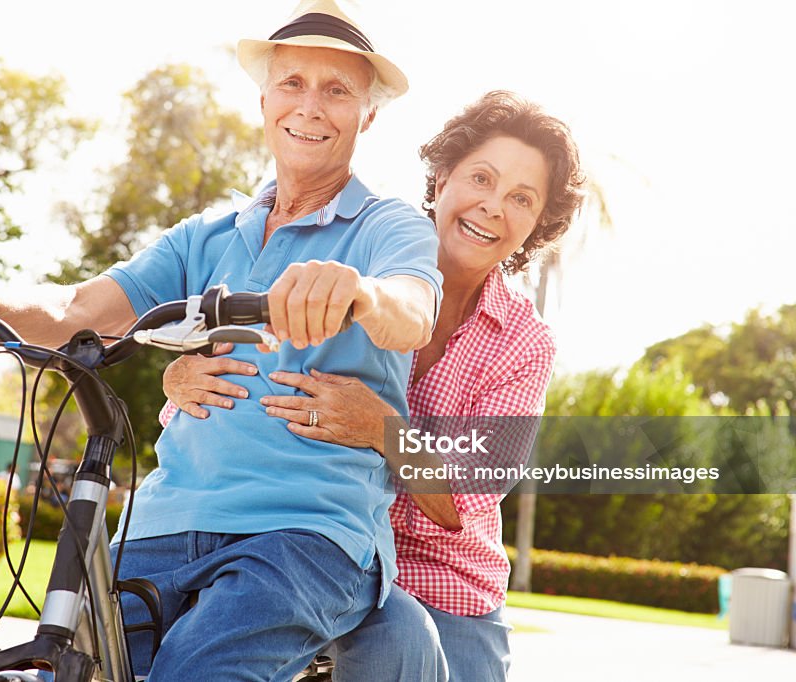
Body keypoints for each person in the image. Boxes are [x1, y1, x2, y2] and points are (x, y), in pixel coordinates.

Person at [0, 1, 443, 679]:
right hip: (162, 522)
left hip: (302, 533)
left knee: (197, 670)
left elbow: (413, 307)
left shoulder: (388, 227)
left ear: (367, 114)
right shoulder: (204, 236)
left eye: (337, 90)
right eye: (292, 83)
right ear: (263, 99)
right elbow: (79, 307)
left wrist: (361, 293)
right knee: (69, 667)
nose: (310, 107)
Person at [160, 90, 586, 680]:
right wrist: (179, 378)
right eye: (480, 179)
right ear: (440, 181)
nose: (493, 206)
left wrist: (383, 429)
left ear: (537, 225)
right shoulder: (353, 268)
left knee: (404, 640)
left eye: (521, 198)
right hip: (309, 542)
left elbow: (465, 497)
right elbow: (247, 398)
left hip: (443, 577)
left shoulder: (523, 341)